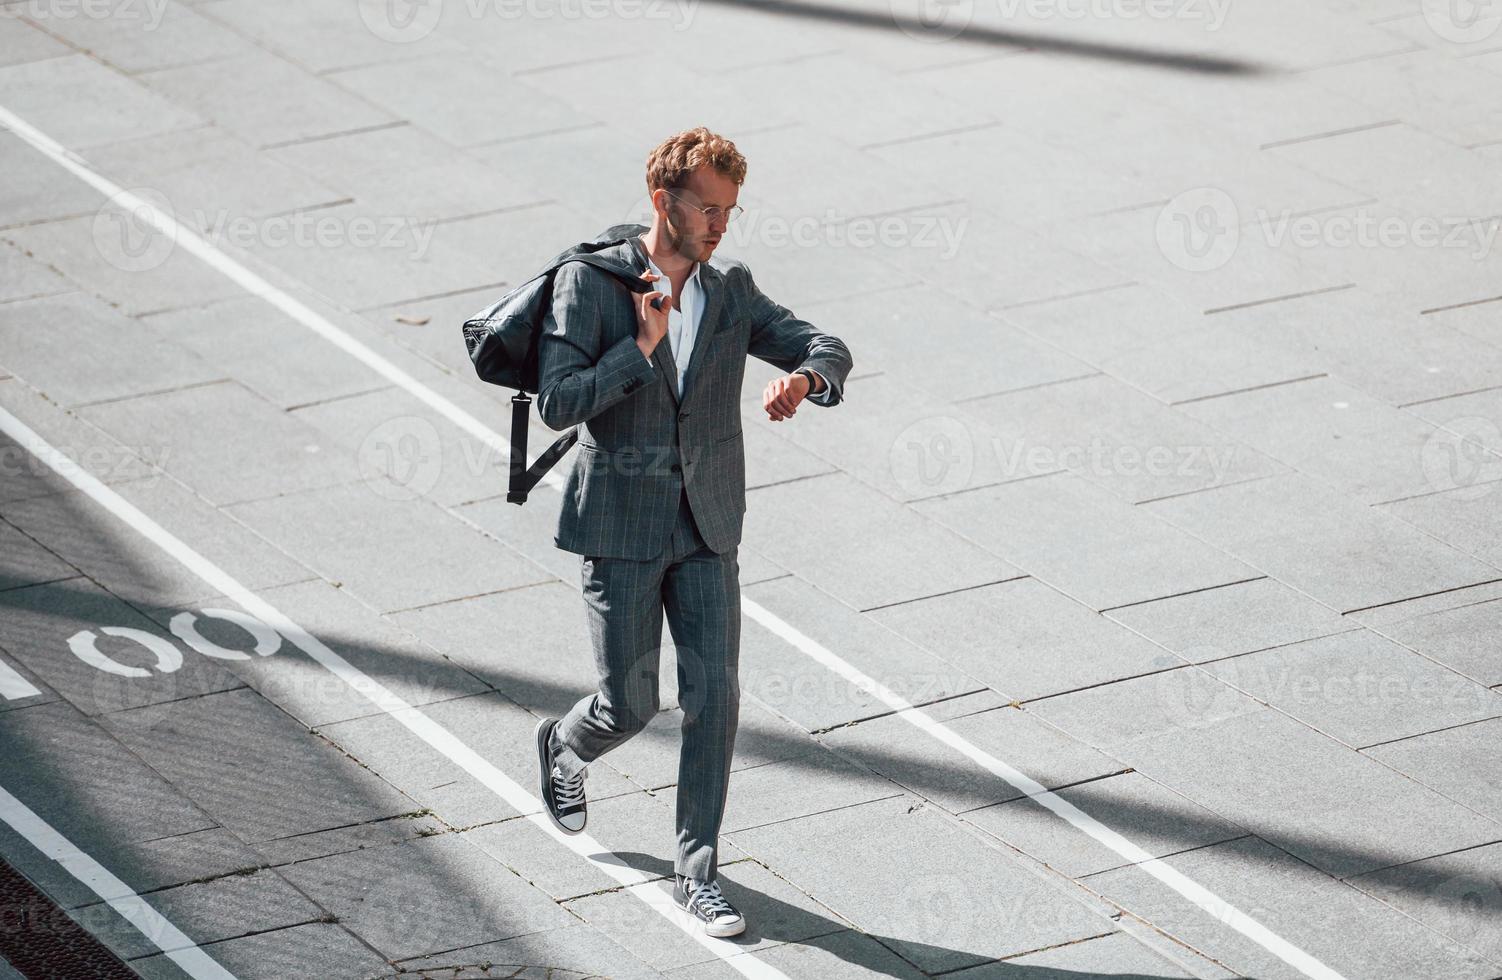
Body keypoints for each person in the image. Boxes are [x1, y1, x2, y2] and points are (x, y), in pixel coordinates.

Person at [530, 126, 853, 938]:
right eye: (705, 208)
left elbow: (826, 344)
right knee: (629, 703)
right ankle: (565, 748)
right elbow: (558, 403)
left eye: (729, 212)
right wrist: (639, 347)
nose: (716, 226)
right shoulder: (590, 285)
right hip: (620, 527)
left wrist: (806, 378)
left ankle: (697, 873)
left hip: (708, 526)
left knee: (715, 700)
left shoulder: (729, 289)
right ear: (661, 199)